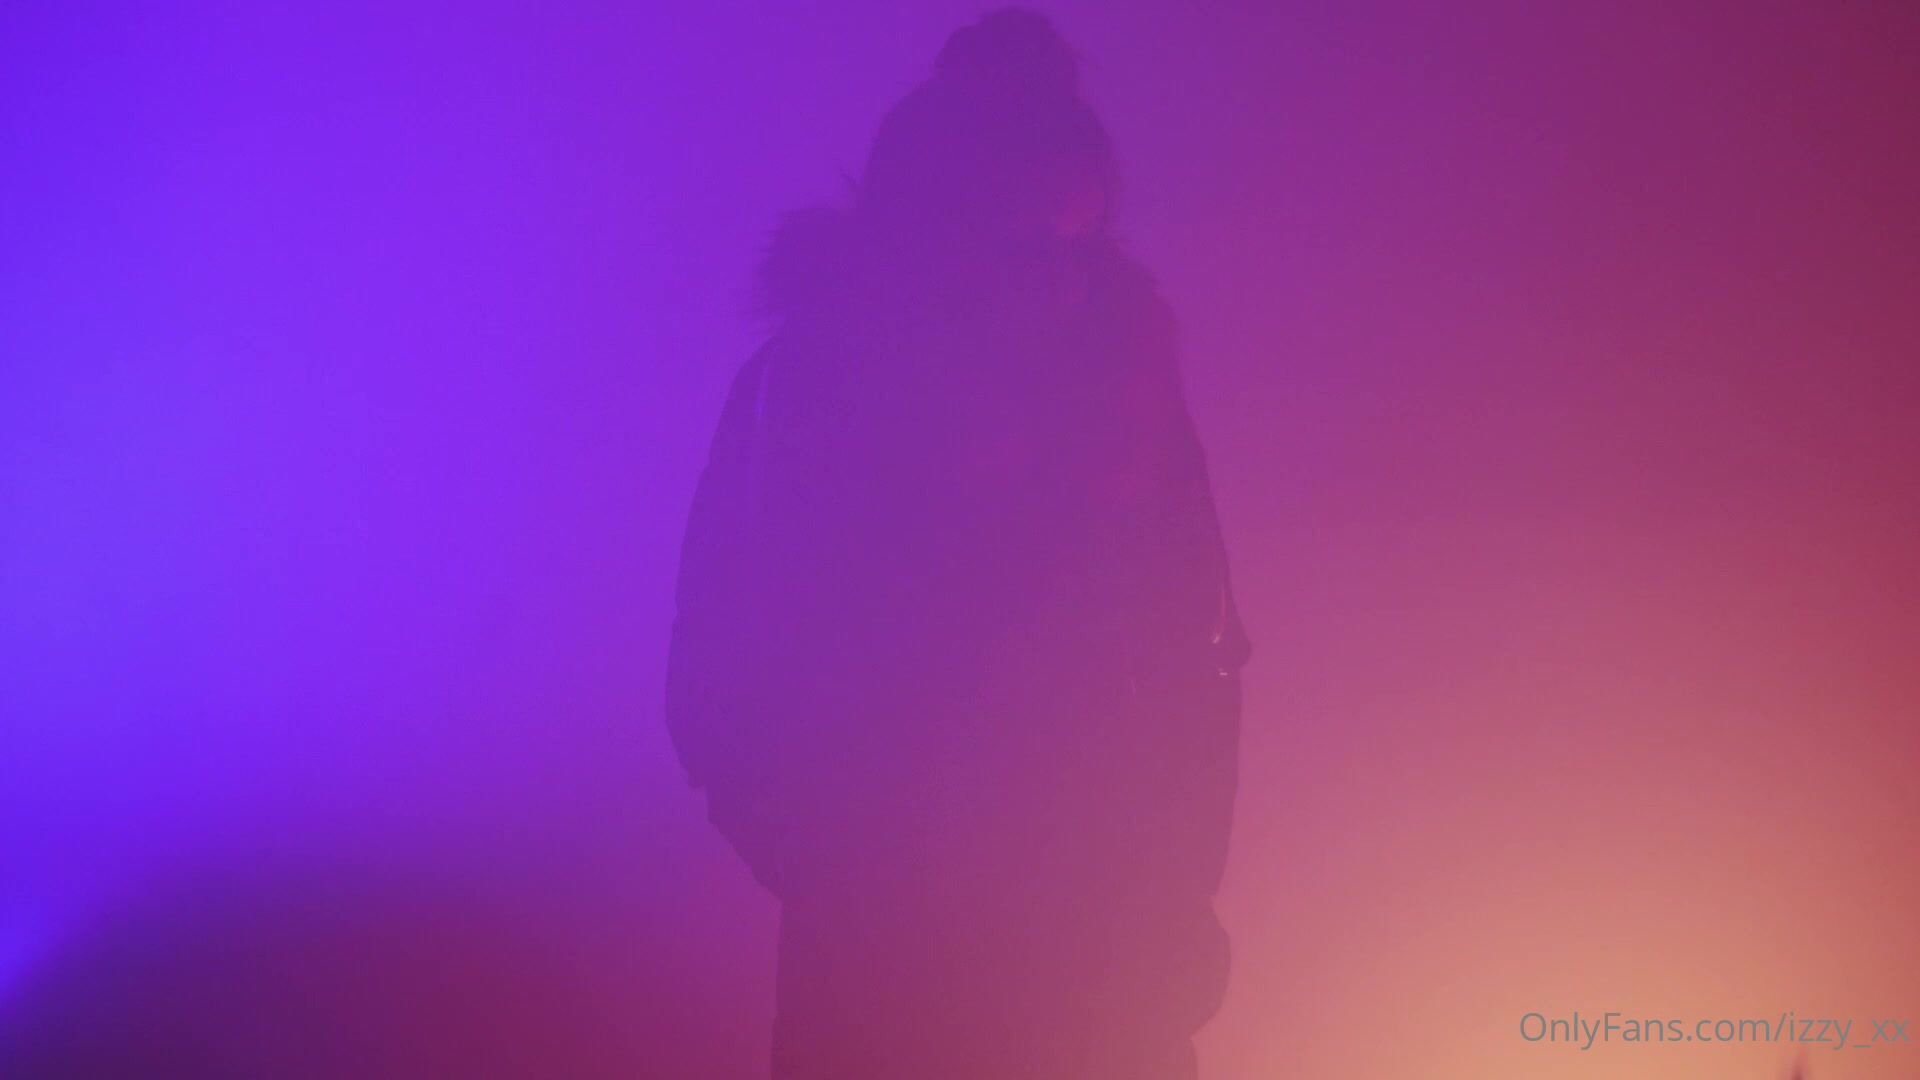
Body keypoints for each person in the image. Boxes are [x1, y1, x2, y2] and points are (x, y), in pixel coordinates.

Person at [664, 10, 1250, 1077]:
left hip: (1053, 950)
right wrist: (825, 862)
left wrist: (1171, 896)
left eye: (1058, 236)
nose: (1039, 272)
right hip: (963, 953)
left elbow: (1198, 661)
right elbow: (720, 669)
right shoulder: (811, 398)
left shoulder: (1120, 402)